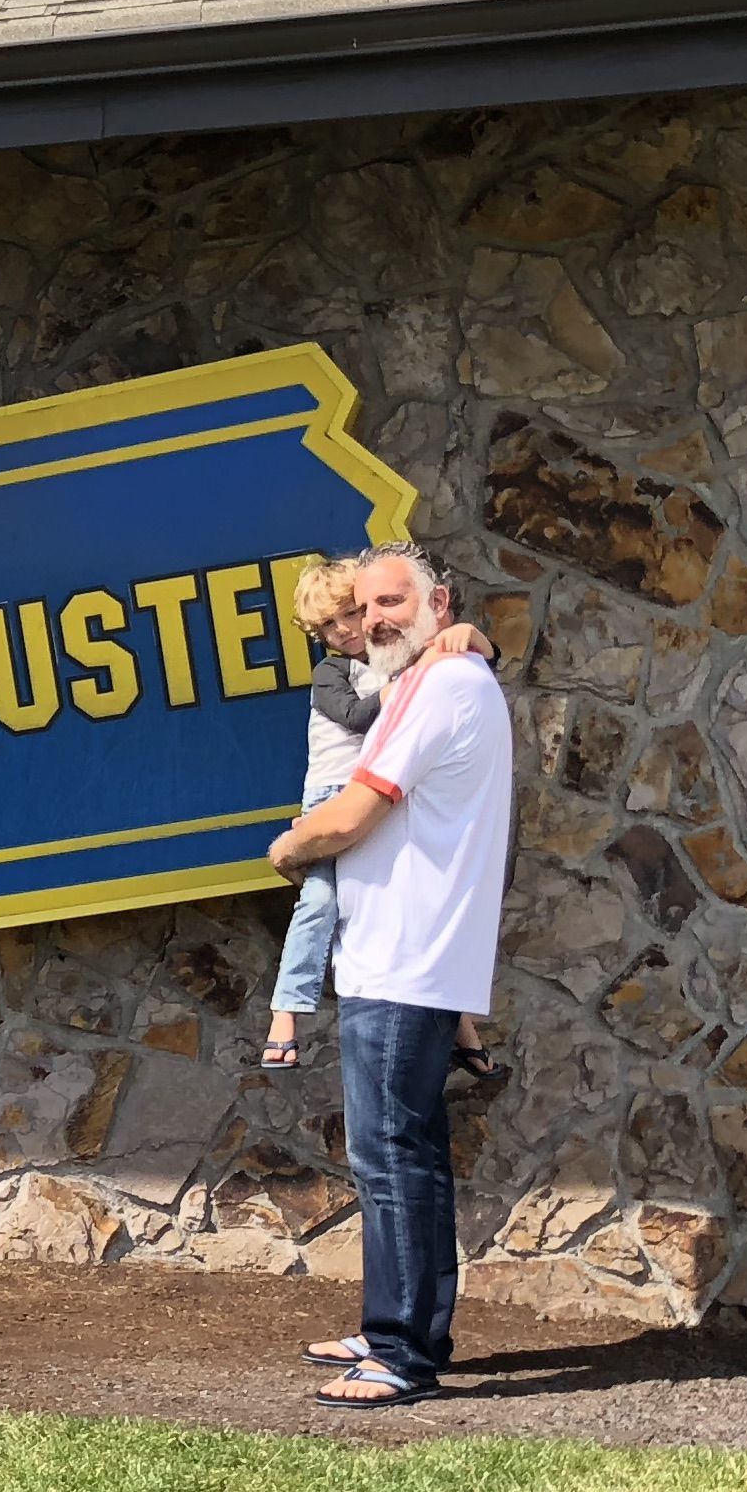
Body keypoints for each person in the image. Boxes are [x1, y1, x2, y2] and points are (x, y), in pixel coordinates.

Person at [266, 544, 514, 1409]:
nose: (374, 619)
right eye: (364, 607)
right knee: (406, 1153)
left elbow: (357, 809)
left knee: (390, 1154)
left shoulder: (443, 686)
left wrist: (290, 846)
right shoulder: (430, 679)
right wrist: (471, 640)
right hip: (407, 954)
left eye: (392, 602)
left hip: (407, 956)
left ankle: (402, 1352)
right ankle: (398, 1331)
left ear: (437, 601)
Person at [265, 558, 506, 1084]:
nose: (349, 628)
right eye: (331, 625)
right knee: (321, 903)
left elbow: (485, 656)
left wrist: (472, 636)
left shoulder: (396, 660)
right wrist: (407, 686)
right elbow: (355, 715)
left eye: (354, 612)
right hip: (334, 796)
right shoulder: (335, 673)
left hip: (380, 787)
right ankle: (285, 1014)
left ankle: (465, 1038)